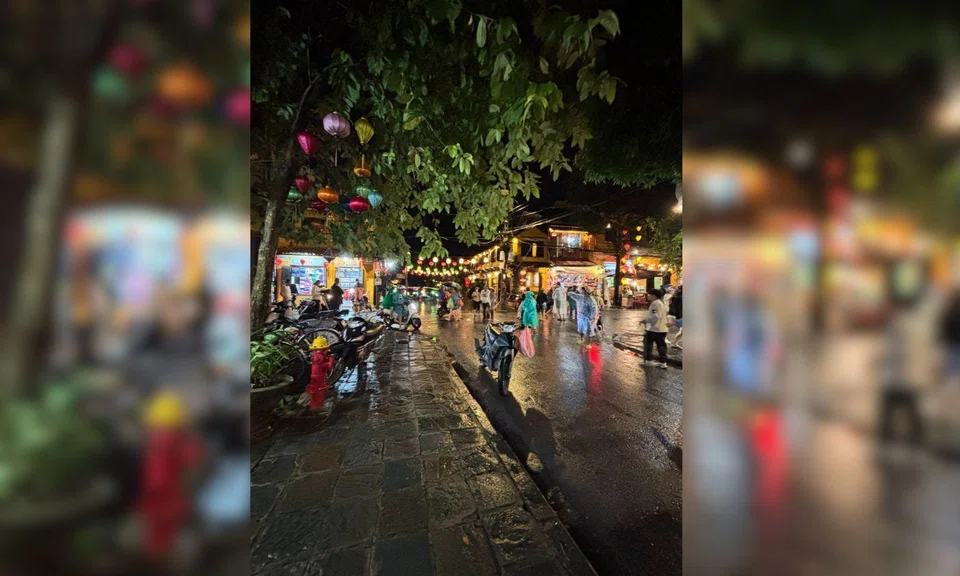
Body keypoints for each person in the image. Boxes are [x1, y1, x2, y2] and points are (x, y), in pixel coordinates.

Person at [643, 288, 669, 368]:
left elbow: (656, 316)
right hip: (662, 329)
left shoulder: (655, 304)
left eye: (649, 295)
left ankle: (648, 360)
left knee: (648, 345)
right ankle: (663, 362)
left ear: (654, 296)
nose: (648, 296)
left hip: (654, 329)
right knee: (661, 346)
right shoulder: (661, 303)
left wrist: (646, 320)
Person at [669, 285, 683, 350]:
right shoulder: (680, 297)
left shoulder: (676, 297)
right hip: (681, 316)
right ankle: (674, 343)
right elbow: (679, 308)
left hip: (679, 316)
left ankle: (674, 343)